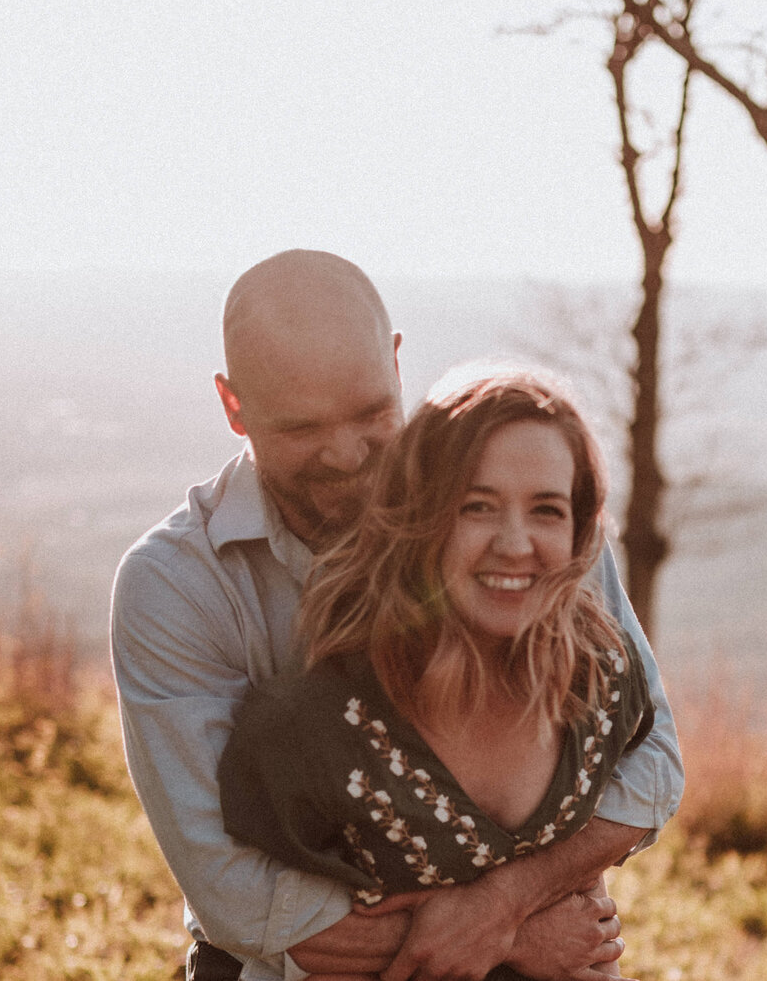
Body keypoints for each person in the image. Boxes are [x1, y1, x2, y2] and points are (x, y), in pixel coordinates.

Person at [110, 251, 683, 981]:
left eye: (371, 413)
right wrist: (511, 941)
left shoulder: (516, 515)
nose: (346, 455)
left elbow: (654, 761)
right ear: (233, 405)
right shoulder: (174, 584)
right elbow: (236, 895)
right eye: (301, 428)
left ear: (397, 361)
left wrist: (506, 902)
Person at [220, 370, 660, 981]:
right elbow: (270, 928)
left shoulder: (602, 680)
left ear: (578, 529)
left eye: (547, 510)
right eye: (477, 506)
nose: (515, 543)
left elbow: (645, 789)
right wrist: (518, 938)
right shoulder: (312, 728)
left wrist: (520, 904)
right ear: (424, 515)